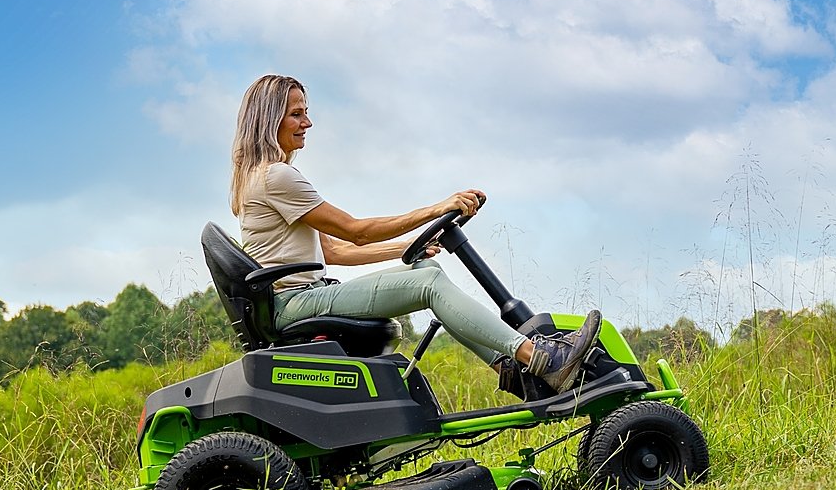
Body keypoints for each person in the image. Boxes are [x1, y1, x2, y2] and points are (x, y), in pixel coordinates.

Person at [229, 74, 600, 394]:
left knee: (427, 274)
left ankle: (512, 371)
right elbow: (356, 232)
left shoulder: (263, 177)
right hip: (294, 303)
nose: (307, 122)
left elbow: (333, 251)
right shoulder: (277, 177)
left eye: (305, 112)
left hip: (298, 299)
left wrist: (408, 247)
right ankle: (541, 358)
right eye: (296, 114)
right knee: (428, 286)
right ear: (269, 120)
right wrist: (437, 208)